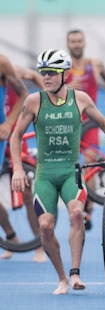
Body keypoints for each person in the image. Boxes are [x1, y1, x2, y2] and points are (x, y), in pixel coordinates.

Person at [10, 49, 105, 295]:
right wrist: (17, 169)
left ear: (65, 74)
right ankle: (61, 278)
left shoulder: (80, 99)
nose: (46, 77)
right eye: (43, 72)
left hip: (70, 172)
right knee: (45, 226)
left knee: (77, 213)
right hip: (45, 174)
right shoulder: (34, 101)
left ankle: (75, 273)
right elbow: (15, 136)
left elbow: (103, 123)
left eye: (52, 73)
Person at [65, 29, 105, 230]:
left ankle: (88, 210)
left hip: (89, 124)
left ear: (84, 43)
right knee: (70, 167)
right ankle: (74, 204)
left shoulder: (94, 64)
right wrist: (68, 86)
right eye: (73, 41)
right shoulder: (63, 67)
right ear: (68, 44)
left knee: (89, 164)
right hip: (69, 123)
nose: (77, 44)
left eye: (79, 41)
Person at [1, 64, 46, 262]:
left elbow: (32, 87)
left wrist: (10, 123)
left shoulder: (7, 67)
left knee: (27, 193)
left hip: (13, 135)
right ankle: (12, 237)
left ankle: (40, 244)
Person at [0, 55, 30, 260]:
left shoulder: (2, 61)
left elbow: (24, 93)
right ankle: (11, 235)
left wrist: (9, 123)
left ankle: (17, 238)